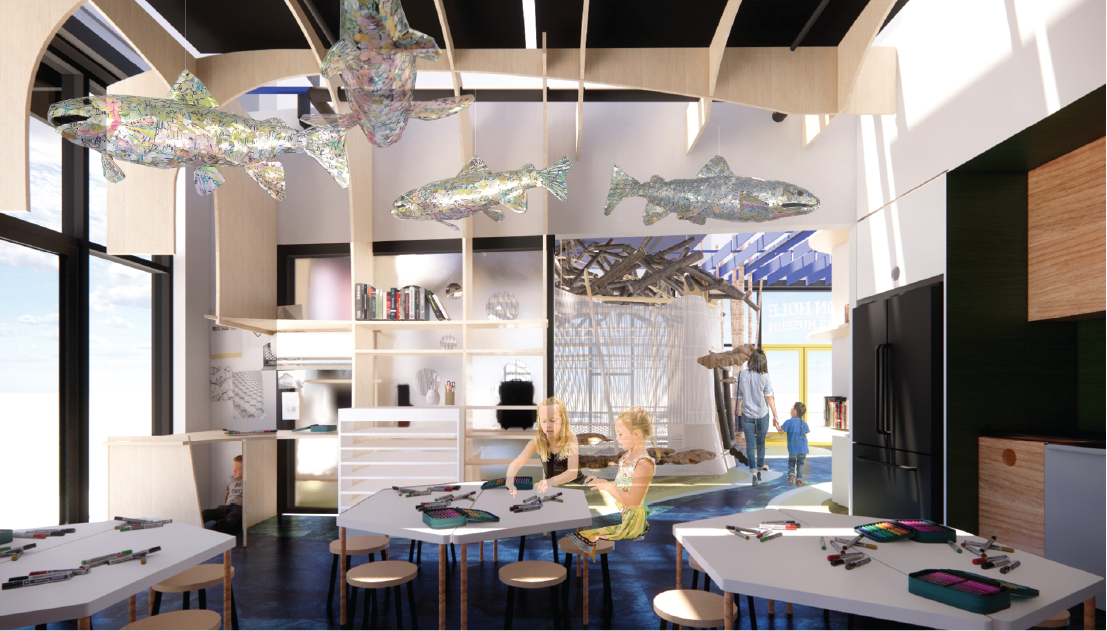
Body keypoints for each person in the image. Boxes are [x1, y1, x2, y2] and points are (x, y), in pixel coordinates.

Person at [567, 407, 657, 558]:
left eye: (621, 434)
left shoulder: (643, 464)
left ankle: (581, 574)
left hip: (630, 522)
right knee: (578, 518)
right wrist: (603, 482)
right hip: (617, 511)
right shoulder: (626, 458)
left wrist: (608, 487)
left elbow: (633, 502)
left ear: (636, 434)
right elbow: (622, 486)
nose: (618, 438)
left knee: (579, 535)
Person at [506, 397, 581, 496]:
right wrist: (509, 482)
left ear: (563, 420)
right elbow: (516, 464)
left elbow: (572, 473)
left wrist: (548, 482)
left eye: (553, 420)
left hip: (576, 487)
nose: (548, 425)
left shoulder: (570, 438)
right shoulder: (537, 442)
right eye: (544, 421)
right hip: (552, 490)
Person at [735, 349, 780, 486]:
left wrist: (738, 410)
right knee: (760, 443)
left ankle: (753, 473)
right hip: (762, 414)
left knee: (750, 444)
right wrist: (775, 416)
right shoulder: (765, 376)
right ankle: (760, 470)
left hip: (747, 414)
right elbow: (769, 397)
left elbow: (739, 396)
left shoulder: (740, 375)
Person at [203, 454, 243, 534]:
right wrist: (225, 505)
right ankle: (199, 518)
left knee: (234, 517)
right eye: (233, 467)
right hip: (226, 507)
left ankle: (225, 524)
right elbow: (228, 494)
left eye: (237, 469)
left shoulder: (250, 481)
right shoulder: (231, 479)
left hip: (239, 508)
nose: (233, 470)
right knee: (206, 512)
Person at [778, 402, 810, 487]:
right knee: (801, 463)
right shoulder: (804, 423)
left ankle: (791, 476)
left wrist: (777, 425)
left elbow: (781, 431)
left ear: (794, 411)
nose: (790, 409)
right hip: (803, 448)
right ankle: (799, 480)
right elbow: (806, 432)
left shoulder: (789, 422)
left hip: (793, 447)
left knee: (791, 462)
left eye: (792, 408)